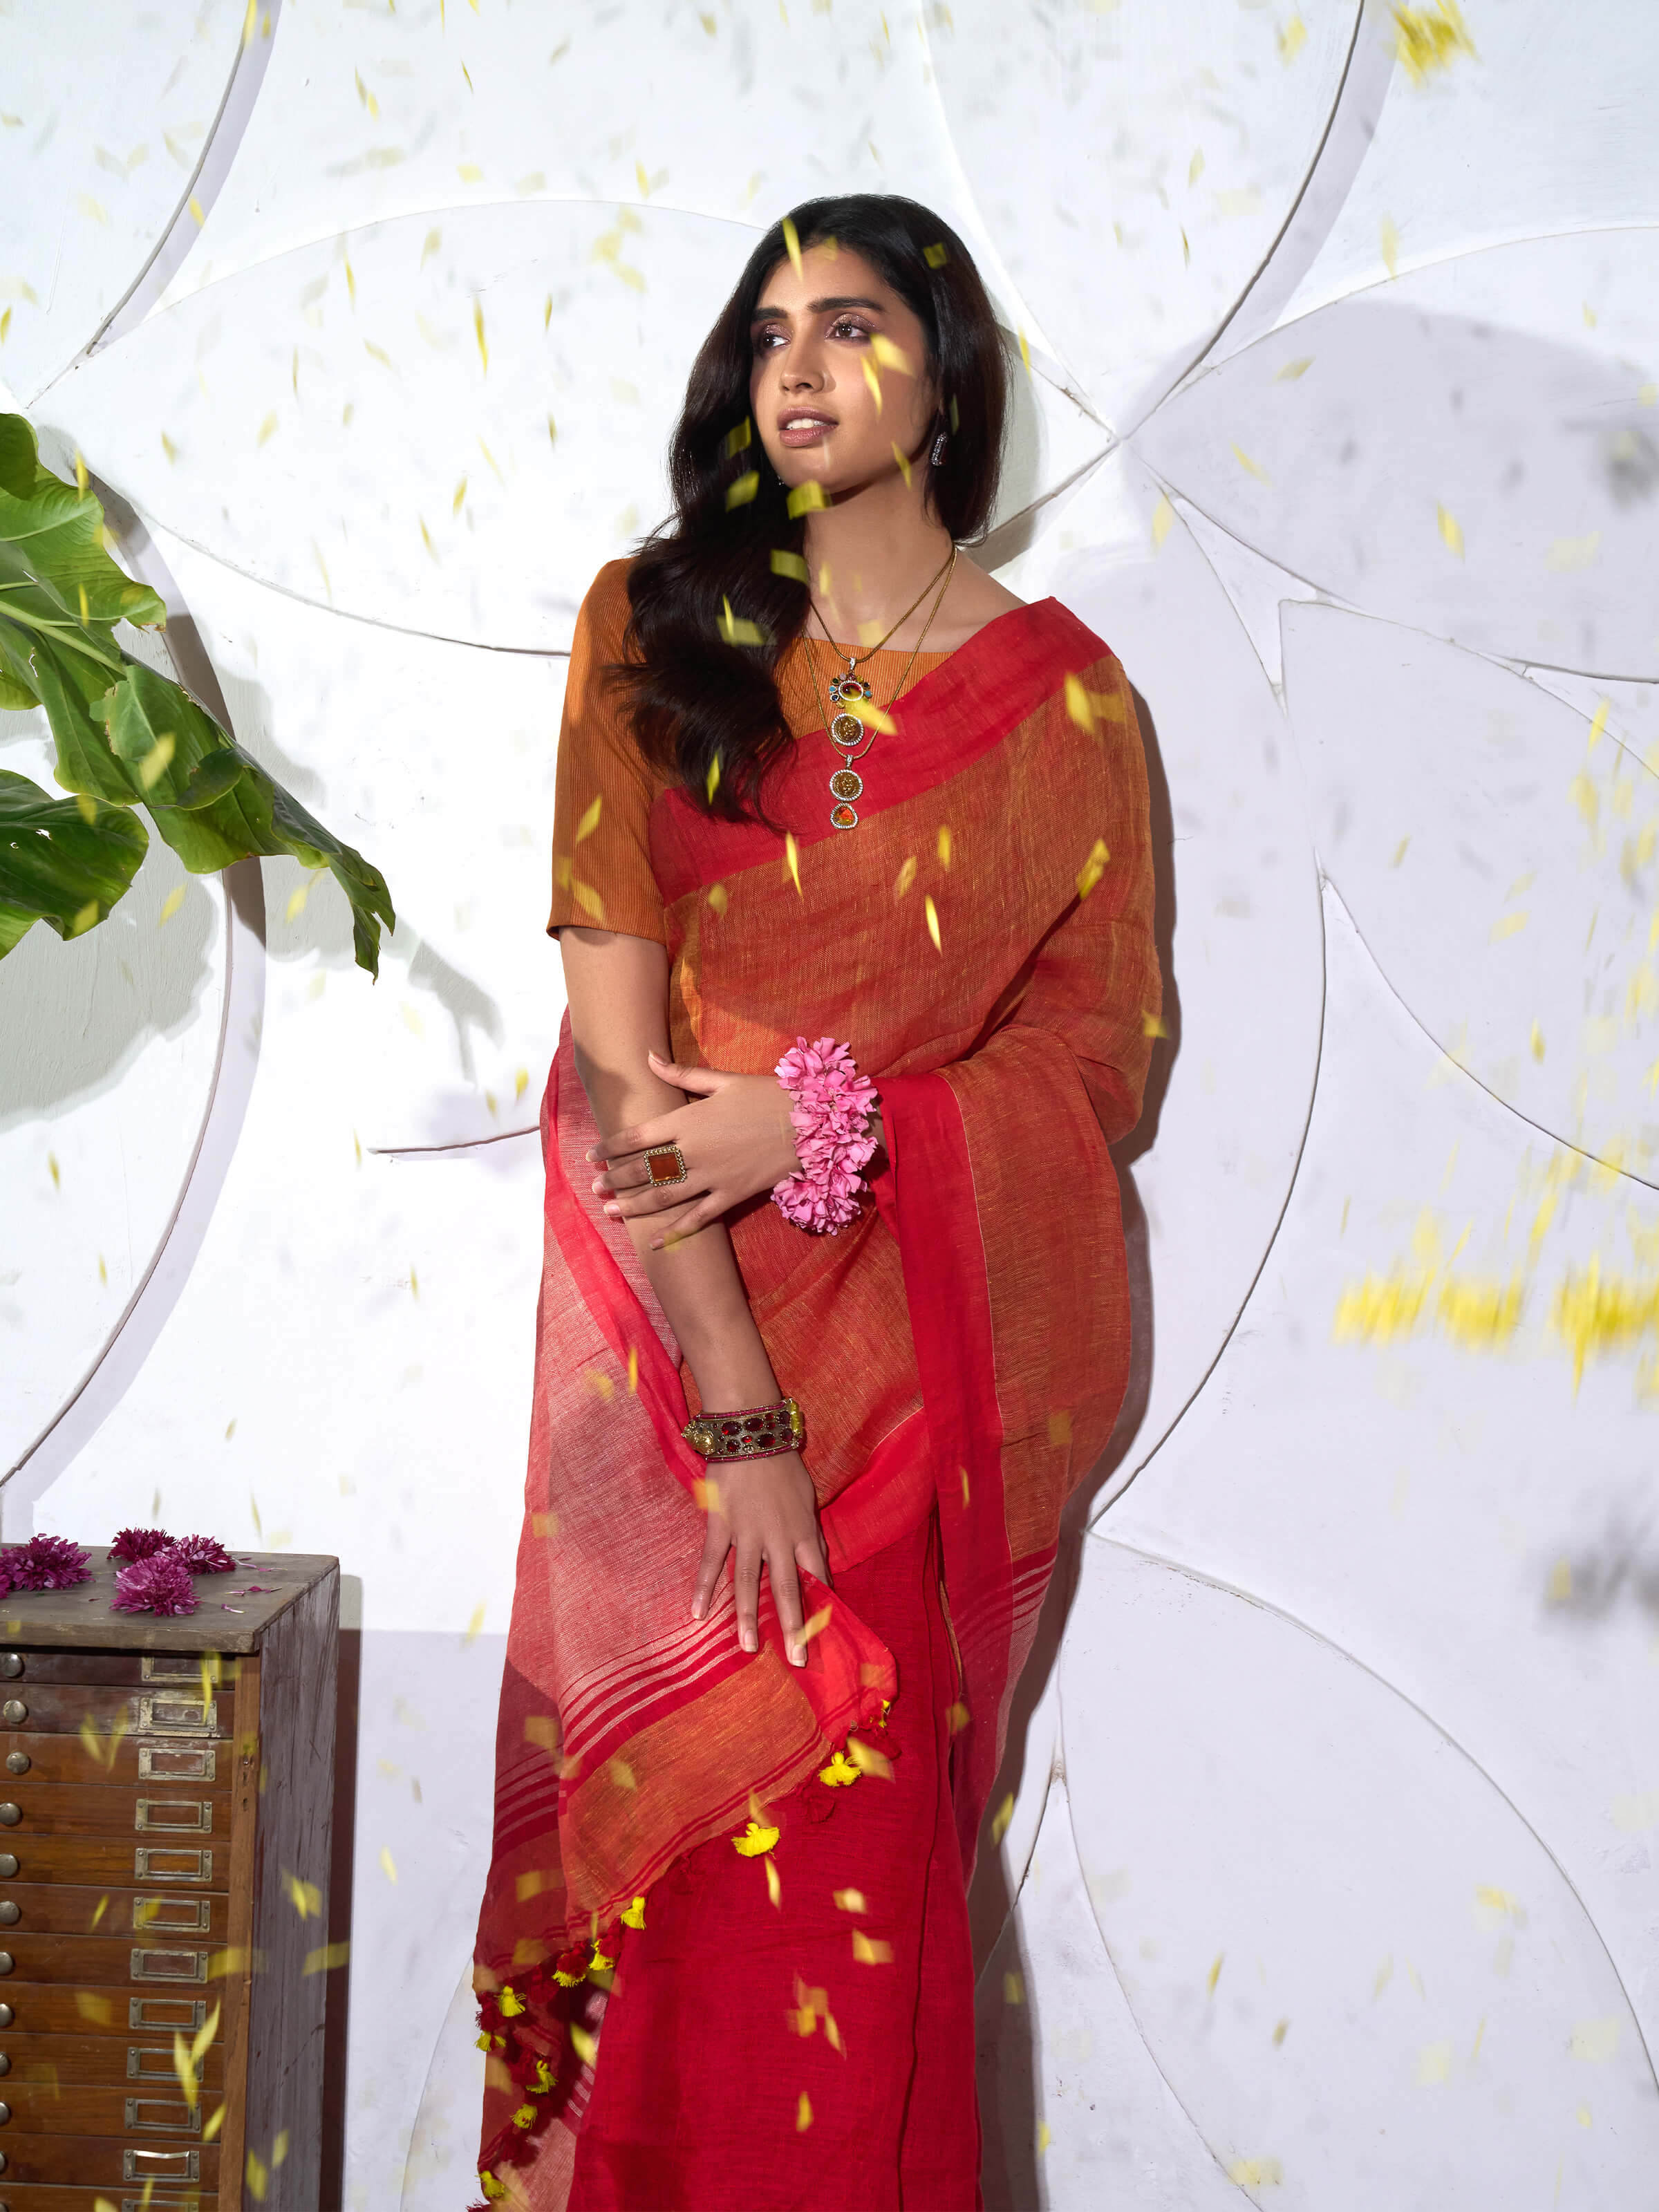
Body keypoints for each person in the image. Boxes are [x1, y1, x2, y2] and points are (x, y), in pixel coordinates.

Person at [471, 192, 1161, 2211]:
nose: (797, 364)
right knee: (674, 1893)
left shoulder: (1067, 707)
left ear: (947, 379)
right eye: (767, 328)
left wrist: (827, 1119)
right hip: (676, 1378)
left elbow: (1092, 1066)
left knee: (846, 1946)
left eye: (853, 323)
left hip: (915, 1391)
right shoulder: (652, 624)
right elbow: (619, 1070)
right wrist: (741, 1418)